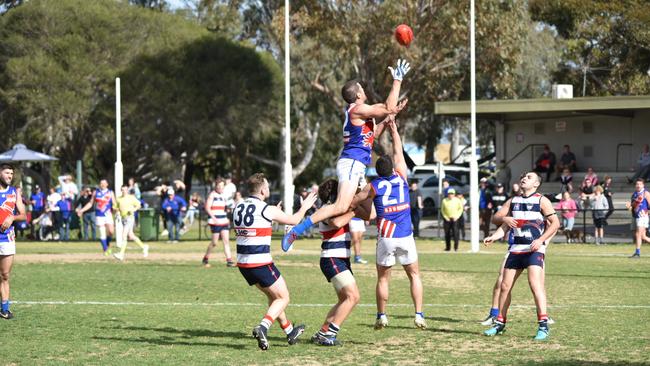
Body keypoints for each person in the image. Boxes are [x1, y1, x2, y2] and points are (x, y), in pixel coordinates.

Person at [282, 59, 411, 250]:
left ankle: (337, 215)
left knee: (369, 214)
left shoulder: (362, 114)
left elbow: (372, 135)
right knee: (341, 206)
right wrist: (397, 80)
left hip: (358, 165)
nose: (364, 88)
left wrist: (388, 120)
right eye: (361, 87)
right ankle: (296, 229)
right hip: (352, 162)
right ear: (358, 94)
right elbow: (388, 106)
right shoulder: (357, 110)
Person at [351, 119, 426, 330]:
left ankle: (381, 315)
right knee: (414, 275)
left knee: (383, 279)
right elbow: (399, 152)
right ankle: (419, 314)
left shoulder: (373, 186)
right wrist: (394, 130)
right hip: (406, 236)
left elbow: (354, 201)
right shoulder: (401, 178)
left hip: (386, 237)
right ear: (392, 168)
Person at [234, 173, 317, 350]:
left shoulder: (238, 206)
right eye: (268, 187)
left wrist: (272, 215)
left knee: (273, 296)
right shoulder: (267, 209)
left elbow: (252, 228)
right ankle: (263, 327)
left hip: (243, 264)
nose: (269, 189)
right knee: (284, 297)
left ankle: (289, 331)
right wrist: (305, 206)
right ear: (263, 189)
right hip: (260, 262)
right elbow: (294, 220)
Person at [483, 172, 560, 340]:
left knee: (535, 284)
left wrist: (541, 240)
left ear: (536, 184)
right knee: (504, 286)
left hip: (533, 249)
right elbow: (500, 222)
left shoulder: (542, 200)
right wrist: (495, 235)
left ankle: (543, 325)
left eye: (529, 177)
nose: (524, 178)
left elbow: (556, 223)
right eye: (523, 176)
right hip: (515, 249)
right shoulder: (513, 201)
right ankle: (500, 323)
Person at [311, 179, 361, 346]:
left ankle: (322, 332)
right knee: (353, 297)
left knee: (344, 299)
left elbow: (372, 214)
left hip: (340, 259)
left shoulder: (338, 209)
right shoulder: (327, 209)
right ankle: (329, 334)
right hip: (332, 258)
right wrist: (354, 211)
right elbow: (337, 223)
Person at [0, 164, 27, 319]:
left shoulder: (14, 192)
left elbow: (23, 214)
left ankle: (4, 309)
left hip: (6, 239)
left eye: (11, 173)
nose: (9, 176)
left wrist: (12, 217)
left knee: (4, 275)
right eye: (6, 173)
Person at [77, 179, 116, 255]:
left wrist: (115, 209)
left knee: (111, 231)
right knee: (102, 233)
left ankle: (107, 244)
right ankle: (105, 250)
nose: (102, 185)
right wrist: (81, 210)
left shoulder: (110, 192)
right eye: (101, 183)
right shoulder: (96, 192)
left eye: (104, 183)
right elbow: (90, 204)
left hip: (108, 214)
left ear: (107, 184)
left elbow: (114, 203)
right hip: (99, 215)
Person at [202, 178, 233, 267]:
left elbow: (225, 208)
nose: (220, 188)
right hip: (215, 222)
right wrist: (214, 218)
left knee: (226, 241)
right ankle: (206, 258)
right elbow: (207, 207)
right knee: (214, 243)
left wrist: (227, 215)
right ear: (215, 186)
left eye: (222, 186)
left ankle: (229, 260)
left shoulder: (224, 195)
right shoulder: (212, 195)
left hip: (223, 221)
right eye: (218, 186)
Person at [113, 185, 149, 261]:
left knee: (124, 235)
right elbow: (115, 207)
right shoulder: (119, 199)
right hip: (123, 219)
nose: (124, 191)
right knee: (131, 235)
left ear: (127, 190)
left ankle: (121, 254)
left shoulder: (131, 198)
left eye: (125, 190)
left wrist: (133, 210)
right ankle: (144, 247)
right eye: (122, 190)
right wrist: (117, 212)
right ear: (121, 190)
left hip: (130, 218)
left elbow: (138, 205)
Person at [626, 178, 650, 258]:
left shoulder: (646, 193)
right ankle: (637, 253)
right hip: (636, 217)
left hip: (643, 217)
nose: (638, 185)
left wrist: (646, 212)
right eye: (637, 184)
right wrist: (629, 206)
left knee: (638, 234)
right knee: (643, 236)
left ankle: (637, 253)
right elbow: (632, 207)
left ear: (643, 185)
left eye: (640, 184)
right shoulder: (634, 194)